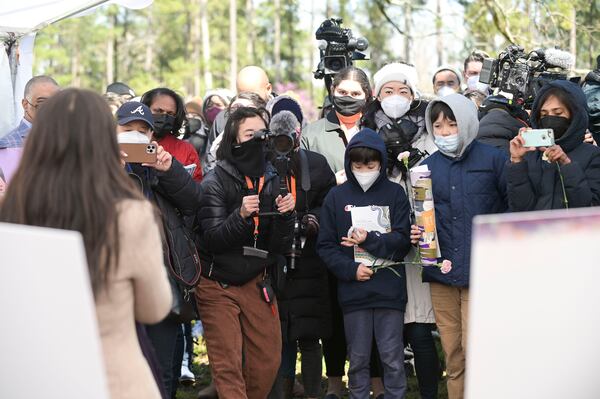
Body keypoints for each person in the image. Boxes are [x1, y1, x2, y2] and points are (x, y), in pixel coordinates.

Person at [0, 88, 172, 399]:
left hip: (33, 379)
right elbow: (154, 308)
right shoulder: (130, 215)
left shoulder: (12, 208)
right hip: (114, 380)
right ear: (104, 139)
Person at [195, 107, 295, 398]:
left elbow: (278, 246)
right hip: (218, 283)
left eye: (262, 134)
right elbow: (213, 239)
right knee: (227, 363)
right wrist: (239, 217)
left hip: (256, 278)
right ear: (234, 142)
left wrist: (286, 216)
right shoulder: (214, 181)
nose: (258, 140)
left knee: (267, 360)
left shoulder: (274, 177)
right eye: (250, 134)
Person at [420, 93, 508, 399]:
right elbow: (420, 217)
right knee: (453, 353)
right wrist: (417, 233)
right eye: (438, 126)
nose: (444, 132)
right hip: (441, 274)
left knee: (478, 349)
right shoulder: (424, 168)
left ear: (468, 122)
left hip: (481, 273)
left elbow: (510, 209)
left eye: (452, 123)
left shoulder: (495, 159)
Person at [362, 62, 440, 399]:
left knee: (420, 327)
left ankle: (427, 392)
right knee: (384, 328)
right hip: (380, 242)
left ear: (414, 94)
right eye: (389, 91)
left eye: (404, 91)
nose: (396, 97)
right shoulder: (366, 131)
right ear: (377, 96)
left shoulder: (429, 132)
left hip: (421, 241)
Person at [318, 128, 413, 399]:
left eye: (370, 164)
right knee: (357, 358)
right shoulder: (336, 198)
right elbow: (325, 246)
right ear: (349, 163)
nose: (364, 169)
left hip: (389, 292)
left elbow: (403, 241)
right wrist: (350, 270)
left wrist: (369, 240)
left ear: (381, 162)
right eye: (357, 164)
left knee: (392, 357)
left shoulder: (395, 194)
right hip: (354, 292)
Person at [116, 101, 202, 399]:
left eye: (143, 132)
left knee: (162, 370)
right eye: (128, 130)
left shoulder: (160, 169)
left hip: (161, 282)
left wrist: (169, 170)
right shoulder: (101, 169)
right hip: (119, 287)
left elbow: (194, 203)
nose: (136, 137)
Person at [301, 66, 375, 398]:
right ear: (332, 91)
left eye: (355, 93)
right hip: (329, 233)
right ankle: (334, 381)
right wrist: (333, 181)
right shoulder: (313, 132)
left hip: (373, 232)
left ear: (367, 95)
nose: (347, 98)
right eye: (341, 92)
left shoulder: (376, 129)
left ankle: (376, 382)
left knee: (371, 309)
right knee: (332, 309)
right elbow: (302, 184)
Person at [265, 96, 336, 399]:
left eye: (287, 140)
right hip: (274, 260)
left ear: (298, 136)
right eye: (277, 140)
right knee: (279, 338)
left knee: (310, 336)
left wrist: (309, 219)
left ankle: (312, 393)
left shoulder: (315, 164)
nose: (283, 145)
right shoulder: (262, 164)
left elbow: (329, 207)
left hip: (309, 261)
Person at [507, 80, 600, 210]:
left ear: (574, 115)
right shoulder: (530, 154)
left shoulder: (593, 155)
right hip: (535, 230)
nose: (550, 119)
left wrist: (566, 164)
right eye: (544, 114)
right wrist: (516, 162)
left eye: (558, 113)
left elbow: (589, 208)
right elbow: (520, 208)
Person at [0, 75, 59, 185]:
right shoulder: (8, 146)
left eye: (56, 103)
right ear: (25, 105)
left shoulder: (66, 141)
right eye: (42, 103)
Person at [141, 87, 203, 182]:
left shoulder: (186, 150)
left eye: (170, 113)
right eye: (158, 111)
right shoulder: (129, 143)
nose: (164, 117)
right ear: (144, 109)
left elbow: (196, 191)